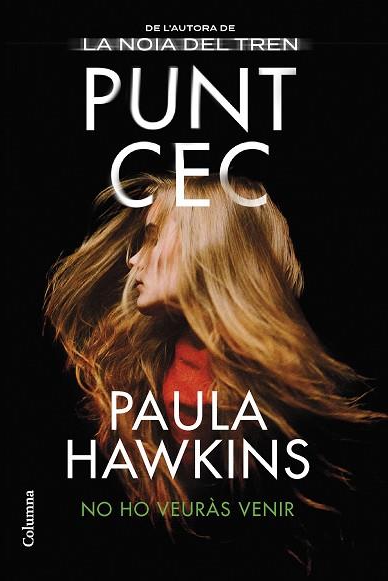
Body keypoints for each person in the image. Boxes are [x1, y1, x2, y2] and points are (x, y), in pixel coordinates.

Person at [44, 173, 384, 572]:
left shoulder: (307, 404)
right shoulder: (130, 381)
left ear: (207, 243)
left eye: (152, 237)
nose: (134, 259)